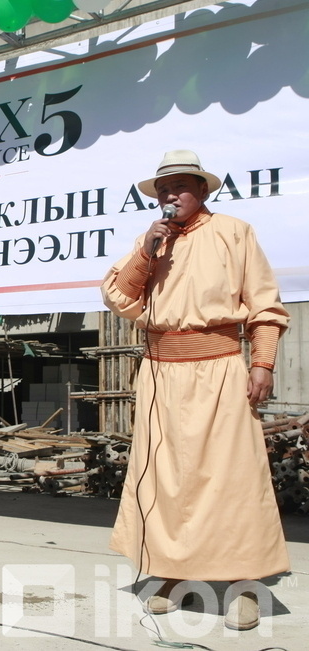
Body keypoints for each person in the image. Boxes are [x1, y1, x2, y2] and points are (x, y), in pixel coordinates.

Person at [102, 150, 290, 630]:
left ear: (202, 190)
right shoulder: (152, 241)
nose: (170, 195)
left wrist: (262, 363)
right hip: (161, 372)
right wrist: (147, 251)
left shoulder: (234, 232)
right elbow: (118, 296)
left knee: (233, 476)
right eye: (163, 189)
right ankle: (171, 572)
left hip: (220, 368)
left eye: (180, 186)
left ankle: (244, 583)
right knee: (165, 476)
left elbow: (264, 305)